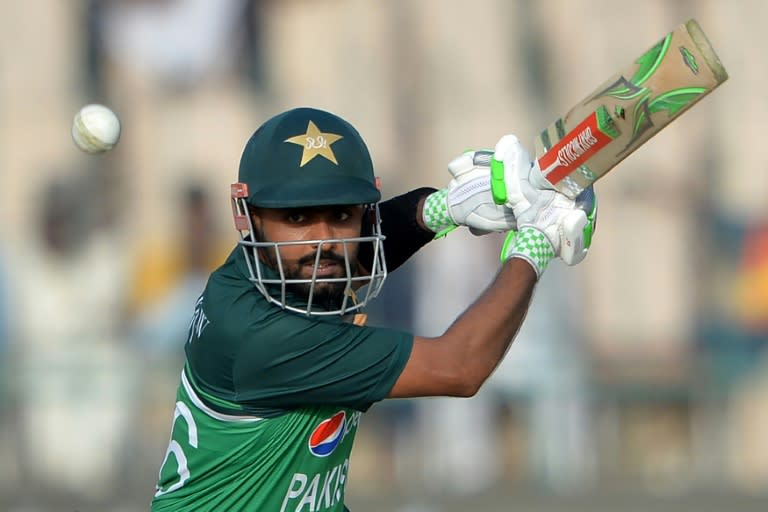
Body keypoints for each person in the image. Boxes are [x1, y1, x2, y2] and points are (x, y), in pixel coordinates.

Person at [150, 106, 597, 511]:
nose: (323, 239)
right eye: (298, 219)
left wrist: (443, 207)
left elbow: (352, 253)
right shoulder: (261, 337)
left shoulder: (249, 273)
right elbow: (459, 366)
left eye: (341, 215)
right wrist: (533, 247)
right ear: (248, 214)